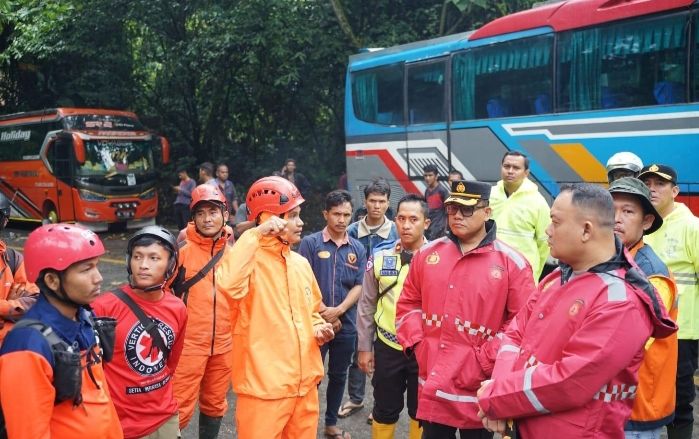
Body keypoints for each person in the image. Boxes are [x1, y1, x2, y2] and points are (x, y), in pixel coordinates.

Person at [476, 183, 678, 438]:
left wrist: (497, 397)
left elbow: (570, 381)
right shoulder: (556, 279)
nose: (547, 231)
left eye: (555, 222)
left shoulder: (621, 301)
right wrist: (500, 391)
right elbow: (514, 336)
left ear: (586, 230)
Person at [396, 179, 536, 438]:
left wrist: (483, 359)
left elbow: (524, 325)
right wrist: (419, 344)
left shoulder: (513, 263)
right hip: (434, 380)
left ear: (487, 211)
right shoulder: (427, 254)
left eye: (467, 209)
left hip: (479, 384)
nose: (458, 215)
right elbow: (408, 303)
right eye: (452, 209)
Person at [215, 176, 335, 439]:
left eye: (299, 215)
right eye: (293, 215)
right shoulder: (247, 262)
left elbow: (312, 312)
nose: (301, 222)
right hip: (264, 392)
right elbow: (228, 285)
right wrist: (255, 234)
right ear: (270, 218)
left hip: (305, 390)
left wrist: (319, 327)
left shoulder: (300, 264)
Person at [0, 223, 123, 438]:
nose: (98, 278)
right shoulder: (27, 345)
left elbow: (98, 398)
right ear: (52, 280)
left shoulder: (83, 317)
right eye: (86, 269)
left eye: (97, 266)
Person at [92, 226, 187, 439]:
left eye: (154, 258)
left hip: (165, 418)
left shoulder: (178, 308)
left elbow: (170, 363)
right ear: (129, 261)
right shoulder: (103, 307)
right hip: (120, 425)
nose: (143, 265)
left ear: (170, 265)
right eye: (137, 257)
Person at [608, 177, 678, 438]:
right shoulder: (604, 259)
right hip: (609, 403)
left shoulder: (652, 272)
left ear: (646, 222)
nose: (616, 219)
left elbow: (633, 342)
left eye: (627, 211)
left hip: (637, 410)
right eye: (610, 210)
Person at [357, 194, 431, 439]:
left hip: (424, 349)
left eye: (413, 219)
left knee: (421, 412)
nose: (406, 225)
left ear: (426, 223)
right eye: (401, 218)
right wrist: (365, 347)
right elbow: (366, 304)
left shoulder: (439, 259)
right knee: (384, 409)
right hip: (387, 346)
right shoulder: (380, 257)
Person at [299, 189, 367, 439]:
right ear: (325, 214)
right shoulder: (310, 243)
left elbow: (359, 285)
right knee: (311, 377)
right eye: (336, 213)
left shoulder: (357, 248)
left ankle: (330, 424)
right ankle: (305, 427)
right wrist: (322, 312)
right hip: (314, 324)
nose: (341, 219)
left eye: (346, 214)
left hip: (346, 324)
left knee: (338, 375)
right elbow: (301, 281)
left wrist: (339, 310)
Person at [640, 164, 699, 439]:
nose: (652, 188)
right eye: (647, 182)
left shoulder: (691, 227)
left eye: (660, 184)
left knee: (680, 398)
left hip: (681, 332)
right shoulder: (642, 224)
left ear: (675, 191)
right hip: (641, 329)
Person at [171, 184, 233, 438]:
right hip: (188, 345)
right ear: (193, 218)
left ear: (225, 215)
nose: (207, 219)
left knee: (216, 403)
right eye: (201, 213)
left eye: (213, 212)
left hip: (224, 346)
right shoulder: (181, 254)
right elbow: (161, 295)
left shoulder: (235, 255)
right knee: (179, 405)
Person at [341, 178, 398, 421]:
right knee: (359, 350)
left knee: (382, 356)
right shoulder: (352, 230)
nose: (377, 206)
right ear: (365, 202)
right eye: (372, 201)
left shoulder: (397, 230)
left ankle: (379, 406)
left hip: (386, 298)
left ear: (388, 203)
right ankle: (355, 398)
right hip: (356, 300)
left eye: (381, 201)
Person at [490, 151, 550, 280]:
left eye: (516, 168)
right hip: (491, 268)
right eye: (506, 166)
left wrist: (534, 272)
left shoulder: (538, 202)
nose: (510, 171)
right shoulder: (490, 195)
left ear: (526, 173)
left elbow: (545, 243)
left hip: (522, 272)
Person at [0, 192, 38, 344]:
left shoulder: (12, 259)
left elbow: (34, 301)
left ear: (4, 221)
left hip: (8, 349)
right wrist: (10, 305)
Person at [423, 164, 449, 240]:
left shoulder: (442, 191)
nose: (427, 178)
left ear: (436, 176)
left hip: (440, 230)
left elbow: (448, 211)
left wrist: (445, 228)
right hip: (429, 228)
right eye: (425, 175)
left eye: (430, 175)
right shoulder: (427, 191)